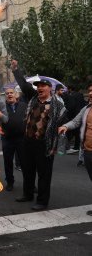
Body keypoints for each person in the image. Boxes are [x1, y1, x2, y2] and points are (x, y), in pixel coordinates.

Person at [12, 60, 66, 211]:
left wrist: (57, 143)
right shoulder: (33, 98)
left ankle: (42, 201)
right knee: (28, 170)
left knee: (44, 174)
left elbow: (63, 124)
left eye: (43, 86)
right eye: (38, 86)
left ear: (50, 88)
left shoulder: (57, 105)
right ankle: (27, 194)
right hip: (28, 141)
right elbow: (23, 85)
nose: (40, 88)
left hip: (45, 144)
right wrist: (16, 70)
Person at [58, 83, 92, 216]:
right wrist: (65, 126)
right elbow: (76, 122)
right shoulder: (86, 109)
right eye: (89, 90)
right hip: (88, 151)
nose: (90, 93)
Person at [2, 88, 27, 191]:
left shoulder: (23, 105)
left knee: (25, 162)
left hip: (21, 138)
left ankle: (29, 184)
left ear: (16, 94)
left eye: (11, 93)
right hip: (7, 139)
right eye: (7, 93)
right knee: (8, 162)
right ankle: (10, 182)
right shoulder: (3, 107)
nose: (9, 95)